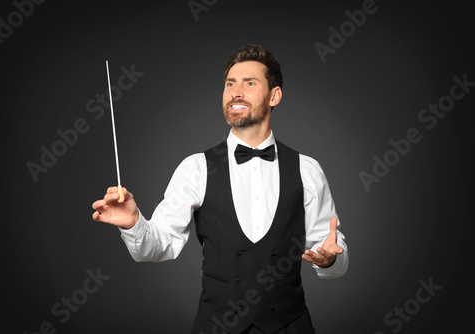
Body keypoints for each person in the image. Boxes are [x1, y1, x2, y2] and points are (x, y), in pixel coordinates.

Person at [91, 44, 348, 334]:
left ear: (274, 95)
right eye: (230, 84)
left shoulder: (307, 169)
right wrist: (133, 224)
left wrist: (330, 260)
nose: (236, 92)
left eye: (249, 83)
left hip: (291, 326)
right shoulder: (196, 168)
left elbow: (330, 249)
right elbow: (158, 245)